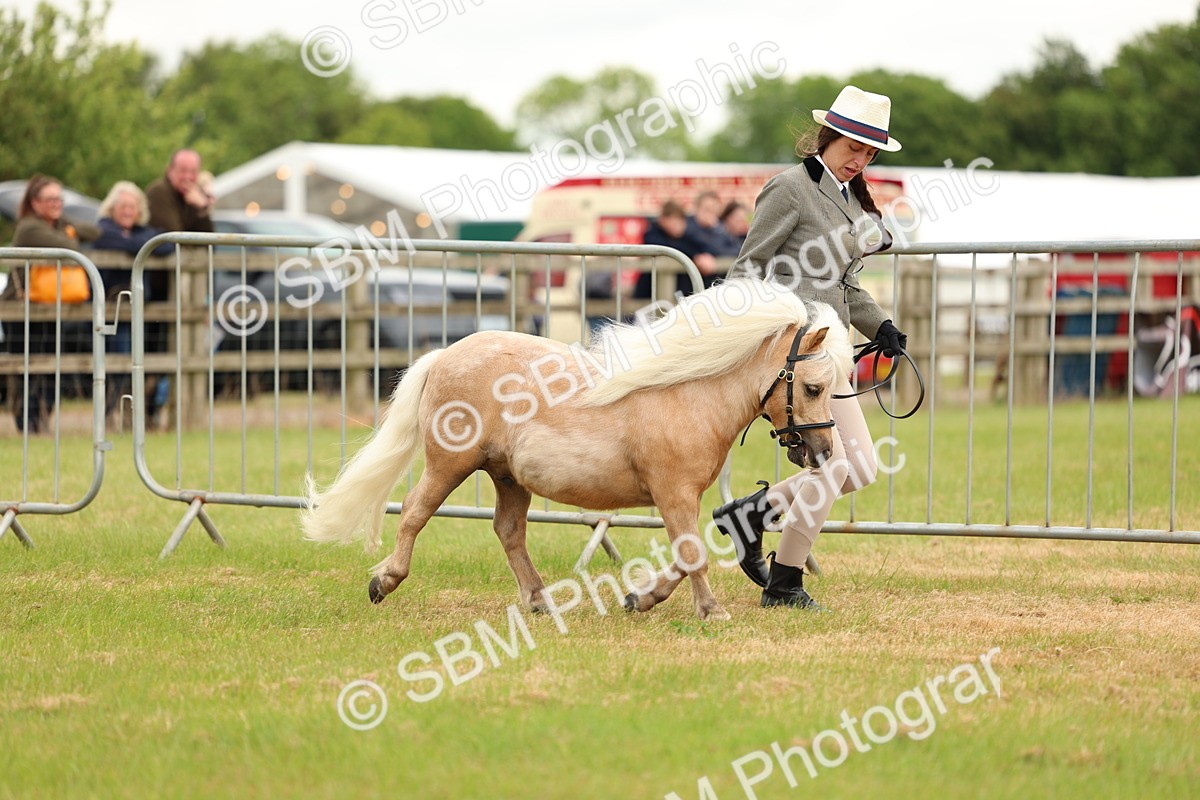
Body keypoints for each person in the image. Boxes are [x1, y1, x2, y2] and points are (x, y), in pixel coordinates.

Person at [717, 85, 907, 610]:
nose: (859, 161)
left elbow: (844, 284)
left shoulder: (849, 203)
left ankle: (751, 515)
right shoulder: (790, 189)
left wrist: (880, 325)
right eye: (854, 148)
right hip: (795, 354)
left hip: (834, 351)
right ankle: (784, 583)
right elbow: (747, 270)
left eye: (869, 154)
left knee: (861, 469)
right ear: (830, 137)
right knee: (833, 468)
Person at [3, 174, 100, 432]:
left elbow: (93, 230)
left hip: (46, 307)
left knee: (50, 368)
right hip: (20, 310)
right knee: (27, 370)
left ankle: (41, 424)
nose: (57, 204)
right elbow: (68, 246)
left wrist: (69, 229)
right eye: (50, 200)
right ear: (35, 203)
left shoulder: (58, 223)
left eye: (59, 199)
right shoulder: (29, 227)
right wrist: (71, 233)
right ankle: (28, 427)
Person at [143, 149, 215, 426]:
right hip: (157, 292)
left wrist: (200, 208)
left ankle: (164, 414)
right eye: (183, 171)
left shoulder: (191, 198)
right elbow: (175, 235)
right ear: (170, 169)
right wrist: (199, 207)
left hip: (184, 294)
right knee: (154, 356)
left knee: (177, 355)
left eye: (193, 172)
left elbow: (208, 240)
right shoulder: (159, 192)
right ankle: (145, 414)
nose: (188, 177)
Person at [92, 181, 173, 424]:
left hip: (140, 311)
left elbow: (165, 244)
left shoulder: (143, 231)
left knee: (137, 363)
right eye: (123, 206)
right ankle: (109, 415)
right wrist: (143, 246)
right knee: (117, 363)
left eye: (132, 206)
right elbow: (108, 240)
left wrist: (137, 243)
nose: (128, 211)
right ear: (112, 208)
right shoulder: (103, 229)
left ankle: (130, 416)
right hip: (110, 310)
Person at [636, 200, 717, 300]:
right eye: (673, 219)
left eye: (680, 220)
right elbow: (666, 248)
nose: (677, 224)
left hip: (676, 294)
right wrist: (695, 256)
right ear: (663, 220)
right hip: (649, 293)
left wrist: (705, 255)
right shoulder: (653, 234)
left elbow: (705, 246)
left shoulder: (686, 237)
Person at [686, 190, 741, 263]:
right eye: (707, 209)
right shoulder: (688, 227)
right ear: (697, 209)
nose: (711, 213)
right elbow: (711, 248)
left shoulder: (719, 227)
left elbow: (738, 249)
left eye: (714, 209)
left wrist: (716, 228)